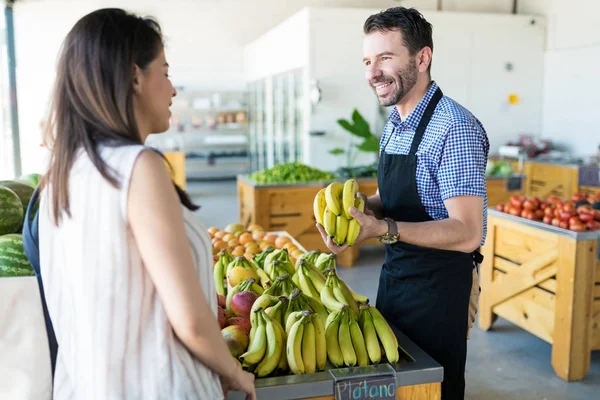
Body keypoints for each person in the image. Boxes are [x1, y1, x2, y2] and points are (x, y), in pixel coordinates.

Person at [36, 8, 255, 400]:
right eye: (165, 72)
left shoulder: (61, 173)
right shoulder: (138, 168)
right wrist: (234, 371)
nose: (173, 89)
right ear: (135, 76)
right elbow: (189, 319)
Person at [316, 7, 488, 400]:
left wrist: (384, 230)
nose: (372, 72)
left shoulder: (454, 128)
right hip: (396, 278)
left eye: (385, 58)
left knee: (432, 389)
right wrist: (360, 211)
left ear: (422, 58)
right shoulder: (394, 123)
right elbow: (395, 199)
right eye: (367, 61)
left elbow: (466, 232)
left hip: (440, 288)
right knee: (395, 384)